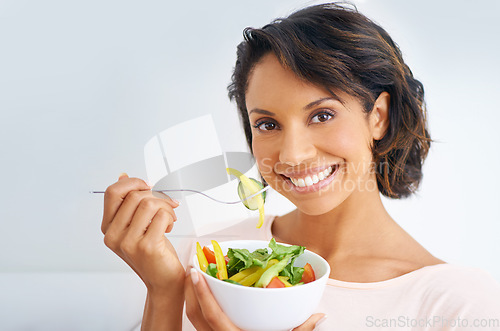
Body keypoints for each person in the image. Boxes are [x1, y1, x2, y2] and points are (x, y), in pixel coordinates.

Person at [100, 3, 500, 330]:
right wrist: (165, 291)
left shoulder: (459, 304)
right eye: (268, 124)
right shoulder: (213, 257)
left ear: (378, 116)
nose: (292, 155)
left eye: (322, 115)